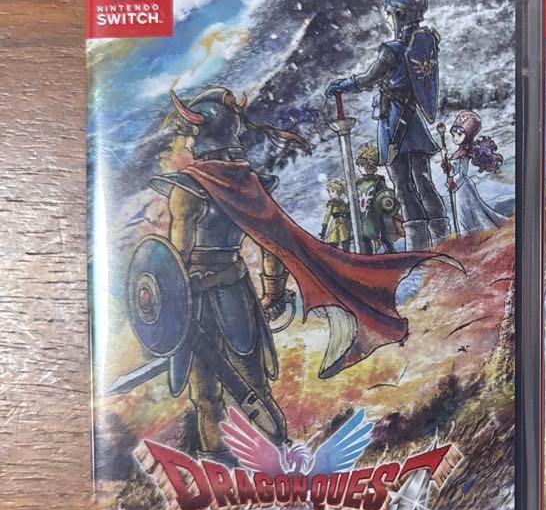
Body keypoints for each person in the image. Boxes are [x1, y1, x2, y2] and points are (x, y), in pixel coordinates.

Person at [146, 87, 440, 454]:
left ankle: (225, 464)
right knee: (254, 389)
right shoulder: (247, 185)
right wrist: (271, 294)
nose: (188, 141)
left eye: (191, 133)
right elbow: (274, 248)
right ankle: (270, 458)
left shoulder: (187, 191)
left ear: (205, 133)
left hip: (197, 305)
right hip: (237, 297)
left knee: (206, 395)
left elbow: (175, 259)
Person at [325, 0, 448, 250]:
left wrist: (342, 85)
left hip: (394, 122)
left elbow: (368, 79)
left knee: (403, 186)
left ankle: (419, 247)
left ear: (400, 14)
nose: (389, 19)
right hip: (413, 120)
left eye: (391, 14)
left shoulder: (392, 50)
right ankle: (444, 241)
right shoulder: (426, 42)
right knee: (423, 181)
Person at [439, 110, 508, 234]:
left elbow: (455, 171)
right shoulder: (458, 152)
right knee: (470, 210)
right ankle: (468, 233)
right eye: (454, 134)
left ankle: (467, 235)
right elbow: (450, 170)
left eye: (459, 134)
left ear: (468, 136)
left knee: (464, 211)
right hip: (460, 185)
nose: (455, 138)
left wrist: (445, 160)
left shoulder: (463, 153)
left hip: (461, 185)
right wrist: (445, 159)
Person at [355, 144, 402, 254]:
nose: (359, 168)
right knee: (365, 237)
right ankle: (368, 255)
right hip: (364, 216)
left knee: (383, 235)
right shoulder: (358, 182)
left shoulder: (378, 181)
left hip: (376, 215)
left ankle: (390, 251)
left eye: (361, 165)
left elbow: (385, 197)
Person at [320, 178, 352, 250]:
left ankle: (347, 254)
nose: (330, 194)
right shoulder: (331, 203)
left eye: (332, 191)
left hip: (343, 224)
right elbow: (327, 216)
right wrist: (324, 228)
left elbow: (346, 211)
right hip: (335, 224)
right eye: (330, 191)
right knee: (333, 242)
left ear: (339, 192)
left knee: (345, 242)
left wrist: (346, 214)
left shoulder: (342, 202)